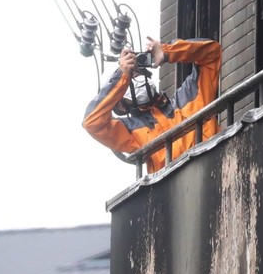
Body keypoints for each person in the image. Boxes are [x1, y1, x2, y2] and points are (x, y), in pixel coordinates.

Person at [83, 37, 221, 173]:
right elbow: (92, 123)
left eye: (138, 74)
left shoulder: (190, 96)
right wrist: (122, 75)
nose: (138, 79)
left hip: (217, 170)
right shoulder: (130, 131)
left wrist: (167, 52)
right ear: (121, 105)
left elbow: (212, 52)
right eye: (132, 77)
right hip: (178, 190)